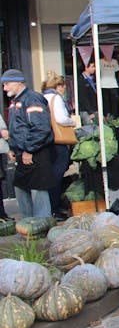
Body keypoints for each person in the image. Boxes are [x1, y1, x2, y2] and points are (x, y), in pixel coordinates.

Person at [1, 69, 55, 219]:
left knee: (38, 190)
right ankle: (28, 223)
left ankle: (41, 224)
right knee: (21, 187)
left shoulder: (32, 99)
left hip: (35, 153)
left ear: (18, 82)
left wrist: (29, 150)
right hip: (23, 153)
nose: (4, 88)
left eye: (7, 84)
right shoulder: (15, 102)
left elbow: (41, 128)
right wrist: (12, 148)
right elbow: (18, 128)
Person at [43, 71, 76, 221]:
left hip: (48, 141)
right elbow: (61, 119)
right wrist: (72, 121)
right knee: (57, 175)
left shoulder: (43, 97)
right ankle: (55, 209)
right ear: (58, 86)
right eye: (62, 87)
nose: (64, 90)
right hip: (58, 141)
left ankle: (52, 207)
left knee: (52, 175)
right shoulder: (56, 98)